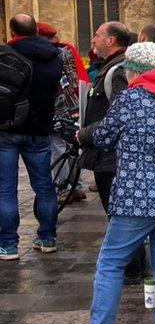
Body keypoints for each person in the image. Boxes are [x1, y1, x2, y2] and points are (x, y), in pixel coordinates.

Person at [56, 42, 155, 324]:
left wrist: (80, 135)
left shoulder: (131, 98)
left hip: (138, 195)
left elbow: (104, 136)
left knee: (110, 264)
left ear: (133, 71)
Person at [80, 22, 148, 284]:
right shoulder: (112, 66)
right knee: (121, 214)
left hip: (113, 157)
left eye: (97, 35)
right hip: (107, 155)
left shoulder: (118, 70)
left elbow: (122, 115)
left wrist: (84, 133)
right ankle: (134, 267)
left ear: (110, 40)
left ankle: (131, 271)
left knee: (121, 215)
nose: (93, 40)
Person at [0, 15, 62, 260]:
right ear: (36, 30)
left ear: (12, 31)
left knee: (6, 190)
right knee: (45, 187)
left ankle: (8, 244)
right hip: (41, 129)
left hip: (8, 129)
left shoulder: (6, 54)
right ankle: (47, 237)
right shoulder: (54, 55)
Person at [38, 22, 89, 205]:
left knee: (57, 147)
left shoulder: (43, 53)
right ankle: (77, 186)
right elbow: (76, 79)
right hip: (71, 104)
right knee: (71, 145)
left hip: (54, 105)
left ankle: (63, 188)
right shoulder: (67, 50)